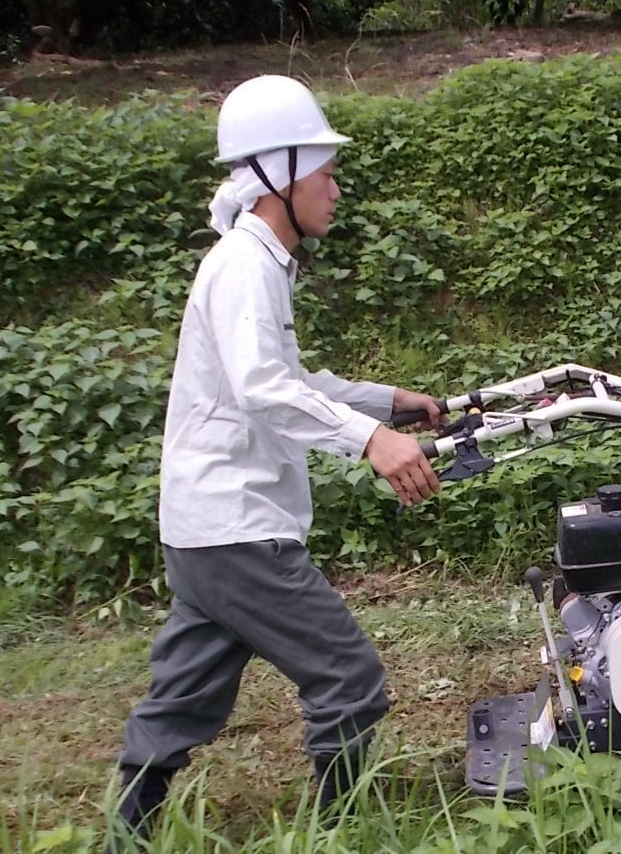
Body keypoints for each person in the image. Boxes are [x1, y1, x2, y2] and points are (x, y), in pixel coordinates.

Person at [112, 74, 443, 842]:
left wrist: (383, 401)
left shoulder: (255, 261)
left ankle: (125, 836)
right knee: (349, 679)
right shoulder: (244, 267)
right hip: (236, 527)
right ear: (278, 173)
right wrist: (373, 442)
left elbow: (285, 381)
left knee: (182, 700)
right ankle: (342, 833)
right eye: (324, 172)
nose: (335, 188)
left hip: (206, 529)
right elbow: (263, 388)